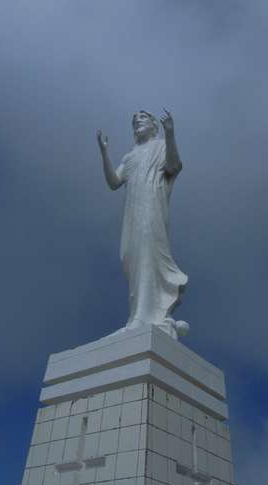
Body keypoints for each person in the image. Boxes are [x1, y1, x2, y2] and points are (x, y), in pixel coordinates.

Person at [96, 109, 189, 339]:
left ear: (154, 124)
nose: (137, 122)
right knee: (133, 256)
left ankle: (141, 317)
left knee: (148, 253)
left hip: (152, 205)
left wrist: (170, 134)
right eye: (134, 122)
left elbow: (173, 165)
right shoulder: (130, 157)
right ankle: (139, 316)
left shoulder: (161, 146)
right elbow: (114, 182)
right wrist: (104, 153)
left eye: (142, 118)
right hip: (133, 212)